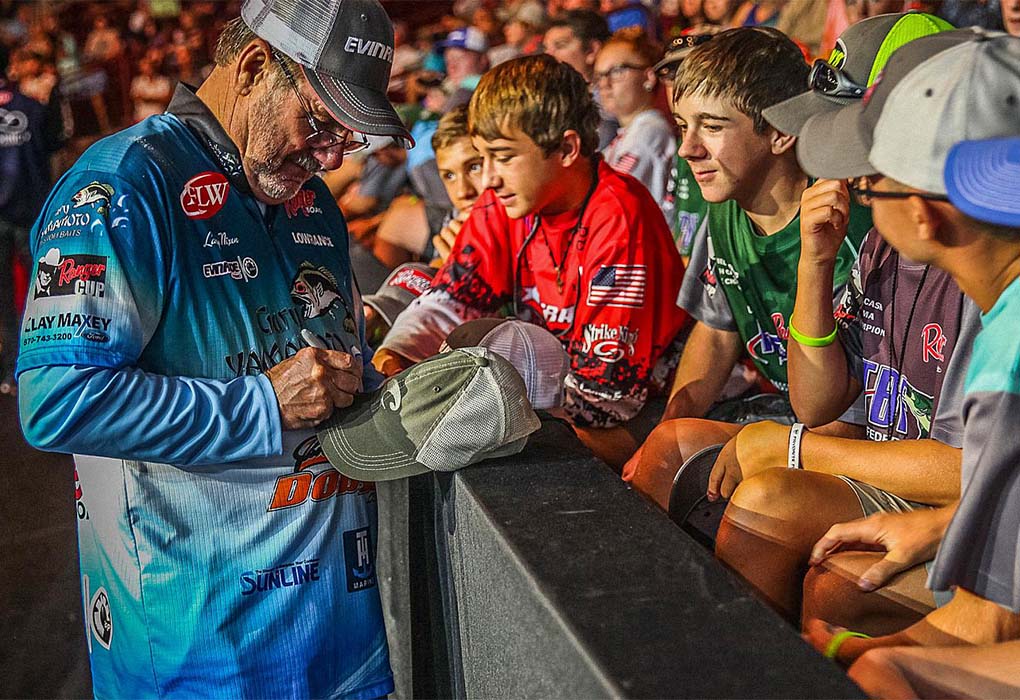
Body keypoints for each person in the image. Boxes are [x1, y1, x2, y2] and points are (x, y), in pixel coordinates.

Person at [17, 0, 413, 695]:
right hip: (203, 660)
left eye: (346, 139)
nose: (327, 156)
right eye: (321, 123)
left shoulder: (312, 202)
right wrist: (263, 402)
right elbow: (56, 401)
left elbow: (329, 368)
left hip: (347, 650)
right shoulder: (121, 184)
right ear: (256, 66)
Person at [706, 11, 968, 626]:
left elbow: (967, 472)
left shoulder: (976, 260)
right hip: (901, 474)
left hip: (962, 505)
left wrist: (795, 449)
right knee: (697, 463)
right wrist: (814, 267)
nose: (831, 152)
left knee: (832, 579)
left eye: (847, 129)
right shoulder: (879, 235)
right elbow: (818, 402)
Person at [786, 28, 1020, 670]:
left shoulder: (1009, 347)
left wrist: (837, 657)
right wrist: (950, 524)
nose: (852, 187)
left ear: (925, 214)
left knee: (879, 668)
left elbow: (988, 620)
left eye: (872, 180)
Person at [374, 54, 688, 465]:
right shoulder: (504, 202)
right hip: (562, 389)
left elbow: (606, 400)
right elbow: (449, 301)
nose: (487, 178)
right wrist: (398, 355)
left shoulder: (618, 213)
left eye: (503, 157)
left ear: (567, 148)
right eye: (483, 158)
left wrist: (473, 417)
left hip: (643, 407)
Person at [622, 27, 872, 509]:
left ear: (780, 132)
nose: (688, 148)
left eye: (712, 127)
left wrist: (775, 448)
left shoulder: (844, 225)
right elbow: (716, 334)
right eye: (682, 125)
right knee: (665, 442)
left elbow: (860, 408)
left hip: (849, 429)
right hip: (789, 414)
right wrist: (668, 425)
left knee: (680, 456)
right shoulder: (726, 206)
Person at [0, 42, 61, 395]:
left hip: (18, 217)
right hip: (33, 212)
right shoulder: (34, 109)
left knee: (6, 298)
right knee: (43, 295)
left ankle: (12, 370)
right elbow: (54, 151)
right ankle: (41, 369)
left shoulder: (35, 108)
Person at [594, 29, 675, 216]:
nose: (605, 84)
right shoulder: (629, 133)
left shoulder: (650, 131)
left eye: (617, 71)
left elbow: (614, 200)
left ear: (648, 76)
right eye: (600, 75)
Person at [542, 10, 619, 149]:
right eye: (546, 48)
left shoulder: (611, 104)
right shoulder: (555, 100)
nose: (548, 56)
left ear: (591, 50)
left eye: (560, 46)